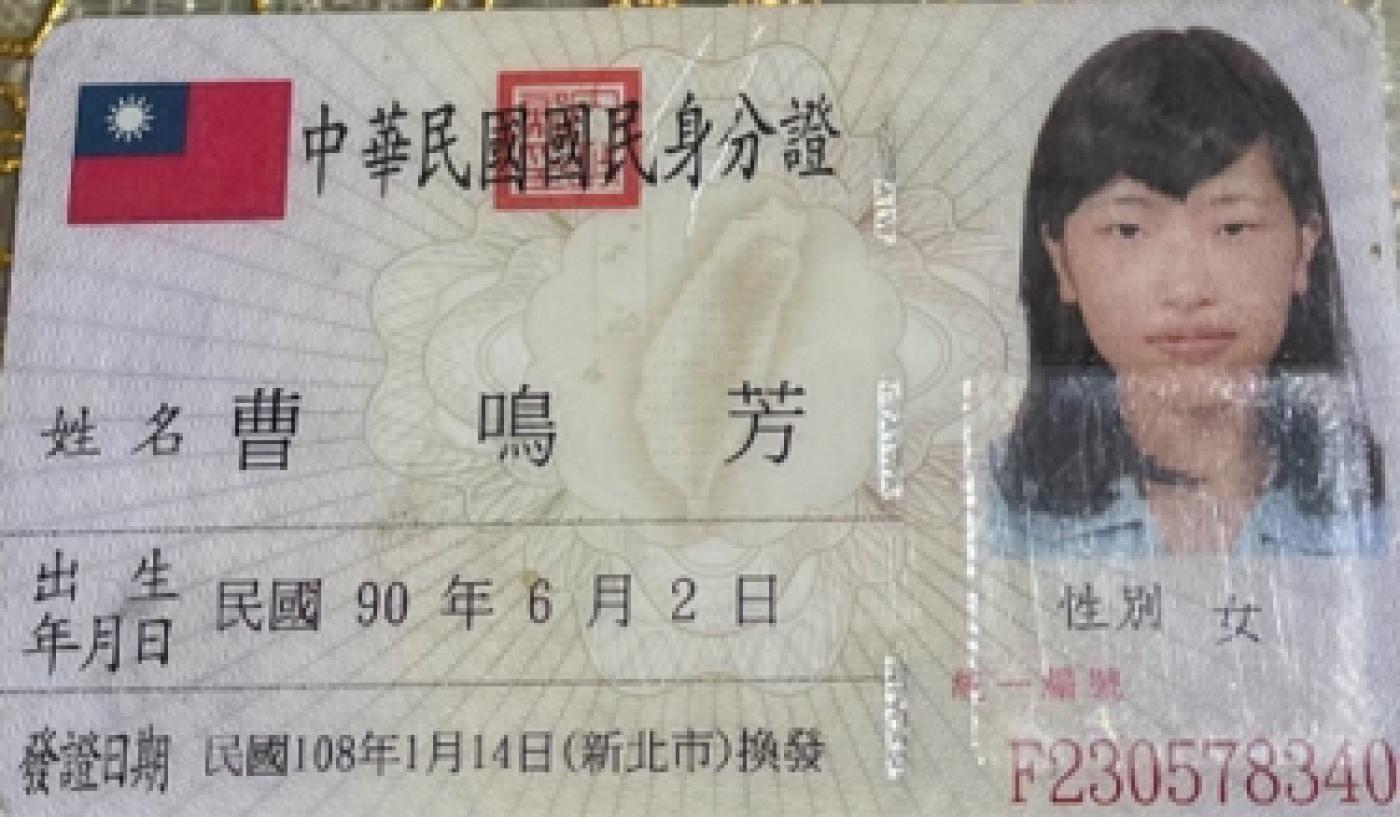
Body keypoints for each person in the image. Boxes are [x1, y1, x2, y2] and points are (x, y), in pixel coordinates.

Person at [987, 27, 1384, 557]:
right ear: (1061, 262)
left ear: (1304, 249)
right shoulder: (984, 509)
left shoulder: (1375, 514)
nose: (1188, 290)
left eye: (1233, 228)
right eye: (1129, 230)